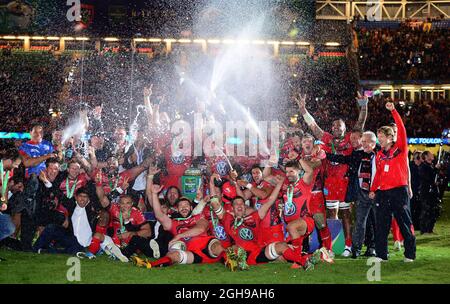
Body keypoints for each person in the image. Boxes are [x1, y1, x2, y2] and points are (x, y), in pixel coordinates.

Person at [297, 93, 368, 257]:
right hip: (329, 183)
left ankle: (348, 246)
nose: (336, 128)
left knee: (346, 214)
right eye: (334, 126)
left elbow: (360, 123)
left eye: (339, 126)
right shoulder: (327, 138)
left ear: (344, 128)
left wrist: (364, 105)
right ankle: (334, 245)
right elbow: (314, 127)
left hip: (344, 182)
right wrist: (303, 110)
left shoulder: (351, 138)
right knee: (331, 214)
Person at [209, 175, 324, 271]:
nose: (239, 206)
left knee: (282, 246)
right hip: (239, 252)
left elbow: (270, 201)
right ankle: (235, 261)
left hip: (256, 254)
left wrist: (279, 184)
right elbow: (215, 203)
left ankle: (304, 261)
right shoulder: (228, 219)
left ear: (245, 207)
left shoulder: (254, 217)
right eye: (236, 204)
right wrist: (211, 181)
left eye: (241, 204)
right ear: (232, 208)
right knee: (231, 249)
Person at [369, 102, 416, 263]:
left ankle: (410, 254)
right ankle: (382, 255)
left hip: (399, 192)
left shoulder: (401, 148)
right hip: (383, 193)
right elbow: (379, 174)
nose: (379, 140)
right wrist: (373, 189)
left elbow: (401, 129)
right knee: (382, 224)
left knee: (404, 222)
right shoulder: (380, 155)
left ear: (390, 137)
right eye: (378, 137)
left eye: (381, 137)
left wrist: (393, 111)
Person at [327, 131, 378, 258]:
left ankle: (373, 247)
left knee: (374, 221)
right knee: (361, 222)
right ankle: (357, 249)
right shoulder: (356, 154)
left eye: (356, 138)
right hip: (361, 193)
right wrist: (327, 156)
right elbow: (344, 159)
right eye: (351, 138)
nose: (353, 140)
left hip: (376, 192)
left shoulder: (378, 153)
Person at [419, 151, 441, 234]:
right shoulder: (423, 166)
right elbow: (427, 178)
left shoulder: (430, 165)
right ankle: (424, 229)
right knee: (426, 210)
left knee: (433, 211)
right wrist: (435, 169)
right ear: (426, 156)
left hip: (432, 192)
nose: (432, 155)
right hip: (426, 192)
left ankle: (429, 229)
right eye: (430, 154)